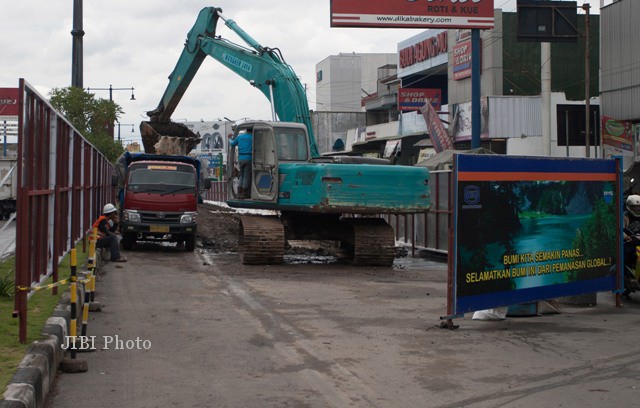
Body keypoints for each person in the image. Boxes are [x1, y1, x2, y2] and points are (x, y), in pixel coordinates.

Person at [228, 129, 252, 198]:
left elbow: (232, 143)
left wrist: (229, 138)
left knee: (241, 175)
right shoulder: (252, 137)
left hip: (241, 158)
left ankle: (239, 192)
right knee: (246, 176)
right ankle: (244, 193)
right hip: (249, 158)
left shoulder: (240, 137)